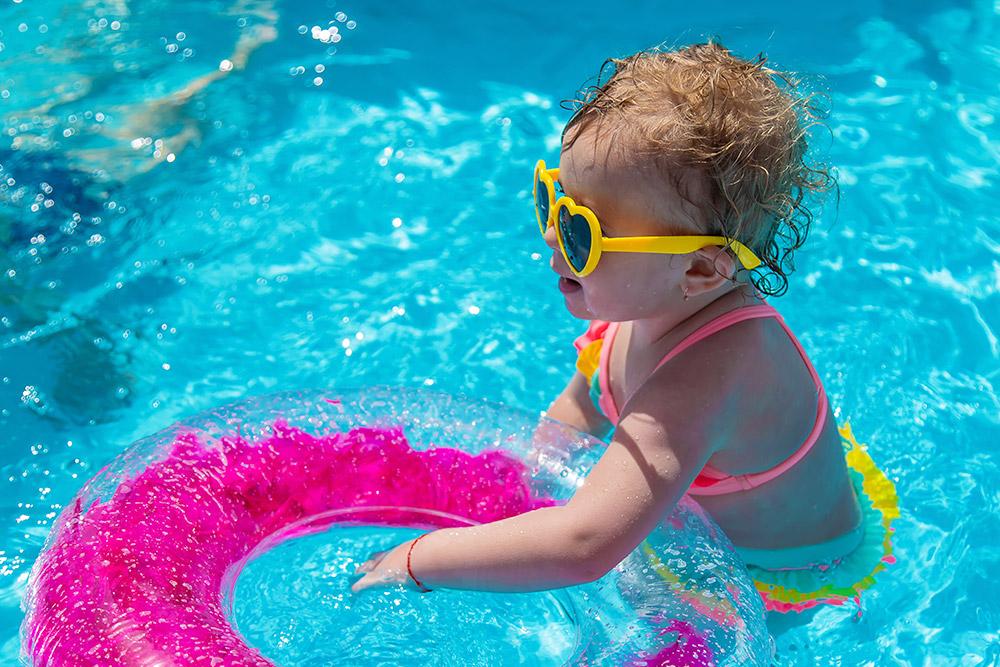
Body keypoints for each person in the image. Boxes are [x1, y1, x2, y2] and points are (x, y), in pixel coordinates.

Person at [352, 40, 898, 618]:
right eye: (553, 201)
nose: (551, 238)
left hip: (779, 571)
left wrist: (420, 558)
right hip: (708, 511)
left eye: (583, 232)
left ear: (697, 268)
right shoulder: (643, 301)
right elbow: (578, 410)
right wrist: (509, 498)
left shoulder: (708, 381)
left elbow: (584, 546)